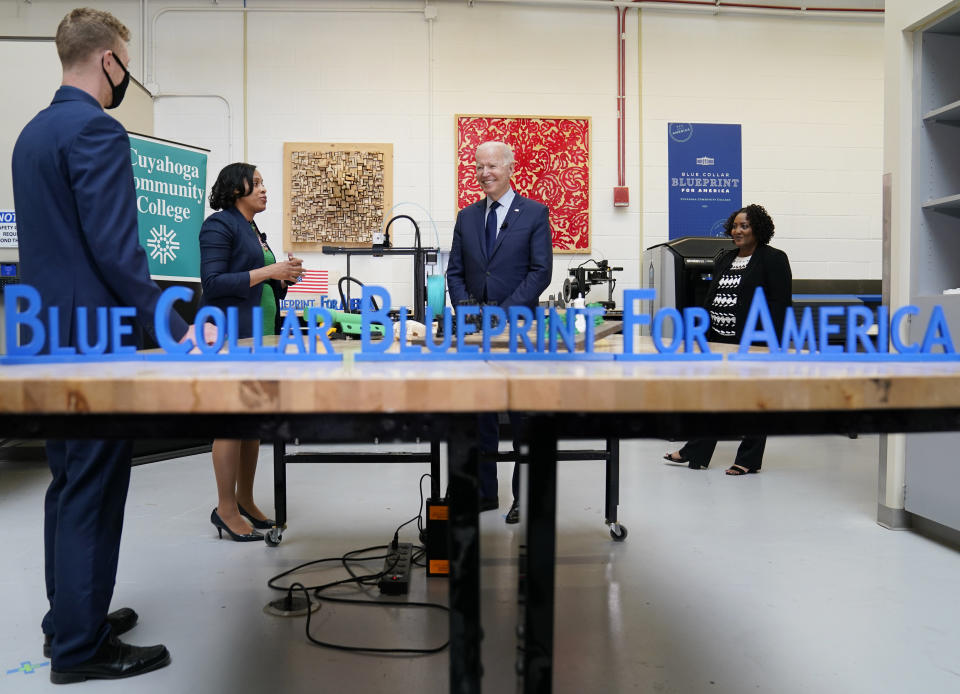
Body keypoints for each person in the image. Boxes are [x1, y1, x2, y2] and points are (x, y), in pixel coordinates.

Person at [11, 7, 212, 684]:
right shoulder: (97, 128)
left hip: (47, 337)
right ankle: (79, 650)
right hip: (95, 343)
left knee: (67, 482)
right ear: (109, 61)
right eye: (126, 61)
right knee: (94, 488)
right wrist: (176, 327)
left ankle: (69, 618)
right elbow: (116, 251)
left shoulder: (33, 133)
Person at [446, 141, 553, 523]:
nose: (484, 173)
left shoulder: (535, 214)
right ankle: (484, 492)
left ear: (509, 168)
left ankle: (522, 496)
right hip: (475, 331)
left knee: (523, 415)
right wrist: (471, 314)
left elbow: (540, 272)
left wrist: (502, 317)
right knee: (480, 414)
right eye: (479, 167)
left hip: (519, 330)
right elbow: (454, 273)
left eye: (492, 166)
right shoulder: (467, 216)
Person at [199, 163, 303, 541]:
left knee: (252, 423)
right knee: (231, 422)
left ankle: (245, 499)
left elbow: (265, 283)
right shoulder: (219, 225)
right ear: (234, 188)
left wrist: (284, 275)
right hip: (232, 337)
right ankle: (225, 508)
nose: (263, 189)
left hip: (261, 338)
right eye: (255, 183)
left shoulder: (254, 230)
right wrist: (269, 270)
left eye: (263, 182)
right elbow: (212, 283)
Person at [663, 204, 792, 475]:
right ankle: (696, 450)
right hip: (719, 340)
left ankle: (748, 459)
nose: (737, 231)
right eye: (734, 226)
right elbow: (711, 299)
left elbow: (780, 306)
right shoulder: (725, 258)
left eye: (744, 226)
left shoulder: (773, 258)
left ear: (758, 229)